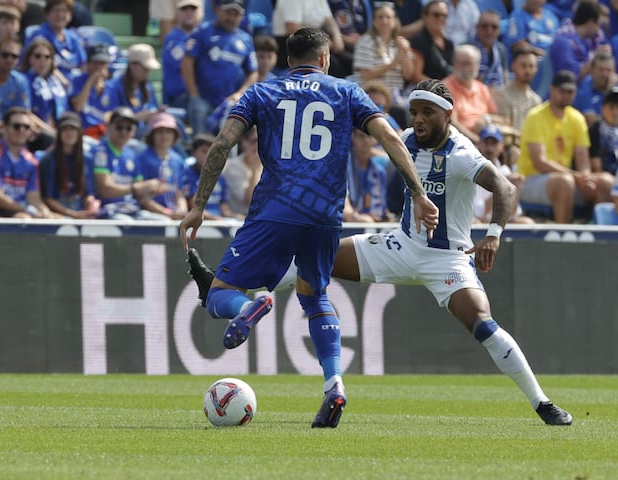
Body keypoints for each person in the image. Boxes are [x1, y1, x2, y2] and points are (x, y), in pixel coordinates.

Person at [184, 78, 573, 427]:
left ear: (449, 115)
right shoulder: (405, 139)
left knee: (484, 325)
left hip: (447, 258)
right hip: (399, 245)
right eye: (416, 112)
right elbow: (394, 178)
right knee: (317, 264)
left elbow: (504, 189)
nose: (418, 119)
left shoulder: (460, 154)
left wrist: (493, 235)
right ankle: (250, 298)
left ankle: (542, 403)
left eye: (427, 113)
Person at [178, 28, 439, 429]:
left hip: (274, 211)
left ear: (287, 60)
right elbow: (389, 135)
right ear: (324, 58)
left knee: (217, 296)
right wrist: (418, 193)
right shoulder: (347, 92)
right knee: (314, 294)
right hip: (325, 216)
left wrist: (198, 206)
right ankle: (334, 384)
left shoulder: (261, 92)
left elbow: (221, 145)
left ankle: (251, 306)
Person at [517, 70, 613, 223]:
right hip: (531, 179)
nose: (566, 95)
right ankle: (563, 236)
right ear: (552, 90)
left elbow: (583, 158)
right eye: (562, 91)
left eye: (570, 91)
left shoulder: (577, 118)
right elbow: (539, 163)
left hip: (565, 176)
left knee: (606, 182)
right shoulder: (535, 116)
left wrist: (585, 177)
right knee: (564, 182)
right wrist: (576, 176)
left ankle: (599, 233)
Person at [183, 0, 259, 136]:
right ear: (218, 11)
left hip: (229, 102)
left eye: (235, 14)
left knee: (227, 143)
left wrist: (240, 94)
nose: (231, 18)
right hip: (203, 98)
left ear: (242, 17)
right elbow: (187, 62)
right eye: (228, 13)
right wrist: (193, 93)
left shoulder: (245, 39)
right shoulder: (203, 31)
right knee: (200, 140)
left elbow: (253, 72)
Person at [91, 107, 169, 220]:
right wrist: (137, 187)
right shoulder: (101, 152)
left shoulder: (132, 155)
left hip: (132, 210)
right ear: (108, 127)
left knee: (163, 222)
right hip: (108, 210)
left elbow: (140, 193)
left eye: (128, 128)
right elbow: (104, 190)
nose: (124, 132)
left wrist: (152, 190)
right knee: (126, 222)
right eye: (119, 127)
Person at [0, 107, 55, 218]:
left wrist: (44, 212)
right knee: (23, 218)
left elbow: (33, 197)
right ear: (5, 128)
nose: (21, 130)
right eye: (16, 126)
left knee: (53, 218)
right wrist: (29, 210)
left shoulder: (31, 162)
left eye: (26, 127)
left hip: (21, 210)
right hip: (2, 213)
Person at [38, 111, 99, 218]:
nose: (69, 133)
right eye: (65, 129)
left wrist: (91, 205)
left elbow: (88, 193)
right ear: (59, 133)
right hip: (58, 212)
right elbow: (48, 198)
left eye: (73, 129)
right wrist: (73, 215)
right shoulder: (49, 159)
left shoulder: (87, 158)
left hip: (79, 207)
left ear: (79, 133)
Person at [352, 1, 413, 106]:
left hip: (396, 95)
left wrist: (405, 51)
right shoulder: (366, 41)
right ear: (374, 21)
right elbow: (366, 75)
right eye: (380, 17)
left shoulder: (397, 43)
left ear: (394, 21)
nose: (384, 21)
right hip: (372, 96)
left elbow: (408, 75)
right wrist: (392, 64)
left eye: (388, 17)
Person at [474, 124, 533, 224]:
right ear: (479, 144)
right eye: (486, 143)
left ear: (501, 146)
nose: (490, 148)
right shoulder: (473, 170)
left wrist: (516, 188)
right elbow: (480, 213)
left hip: (499, 220)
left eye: (494, 143)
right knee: (475, 223)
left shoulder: (505, 171)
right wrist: (503, 187)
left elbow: (512, 212)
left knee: (527, 222)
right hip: (481, 221)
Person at [442, 44, 500, 144]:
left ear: (477, 65)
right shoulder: (445, 89)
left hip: (487, 140)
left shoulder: (482, 88)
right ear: (454, 63)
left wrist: (486, 119)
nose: (466, 68)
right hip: (460, 143)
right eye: (462, 64)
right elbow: (452, 124)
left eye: (470, 63)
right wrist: (478, 142)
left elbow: (500, 118)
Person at [137, 112, 188, 220]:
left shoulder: (178, 160)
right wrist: (167, 213)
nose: (164, 136)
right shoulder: (142, 159)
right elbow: (142, 198)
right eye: (160, 132)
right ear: (152, 135)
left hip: (174, 213)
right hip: (151, 214)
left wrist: (182, 211)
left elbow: (180, 193)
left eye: (168, 131)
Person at [108, 44, 163, 137]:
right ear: (132, 65)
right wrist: (135, 118)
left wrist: (155, 113)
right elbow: (112, 118)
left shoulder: (147, 85)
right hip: (126, 134)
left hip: (147, 129)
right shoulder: (115, 86)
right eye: (145, 68)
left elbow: (153, 106)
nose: (148, 72)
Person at [25, 0, 86, 82]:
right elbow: (42, 65)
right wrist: (66, 83)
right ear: (47, 14)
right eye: (55, 10)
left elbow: (83, 64)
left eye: (64, 11)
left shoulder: (73, 37)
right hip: (50, 83)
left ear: (70, 15)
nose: (60, 14)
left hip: (74, 84)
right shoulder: (40, 35)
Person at [573, 52, 618, 124]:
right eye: (601, 70)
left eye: (608, 70)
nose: (604, 74)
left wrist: (612, 90)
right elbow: (591, 120)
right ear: (592, 71)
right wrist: (609, 92)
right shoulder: (584, 90)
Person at [162, 0, 203, 109]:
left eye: (193, 9)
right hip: (179, 98)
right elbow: (187, 65)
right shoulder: (172, 38)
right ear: (177, 14)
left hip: (200, 95)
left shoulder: (204, 36)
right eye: (184, 9)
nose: (189, 13)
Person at [492, 46, 541, 133]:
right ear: (513, 66)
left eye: (531, 66)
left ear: (536, 69)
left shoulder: (536, 101)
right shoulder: (500, 94)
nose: (527, 70)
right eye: (523, 66)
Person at [70, 44, 114, 140]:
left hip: (104, 136)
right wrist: (90, 82)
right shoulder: (77, 81)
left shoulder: (111, 87)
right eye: (95, 63)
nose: (98, 67)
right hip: (82, 135)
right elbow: (78, 107)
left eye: (102, 63)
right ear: (88, 64)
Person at [588, 87, 618, 175]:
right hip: (597, 177)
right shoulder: (594, 129)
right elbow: (595, 164)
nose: (615, 112)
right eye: (611, 107)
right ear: (603, 108)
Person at [408, 0, 454, 83]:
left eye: (444, 15)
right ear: (425, 17)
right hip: (426, 91)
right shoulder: (418, 41)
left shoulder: (449, 43)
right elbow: (415, 75)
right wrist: (439, 88)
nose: (441, 18)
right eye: (436, 15)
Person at [0, 36, 31, 131]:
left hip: (11, 130)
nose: (9, 60)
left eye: (14, 56)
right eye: (5, 55)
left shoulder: (20, 81)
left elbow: (25, 113)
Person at [471, 9, 509, 88]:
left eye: (494, 27)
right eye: (484, 26)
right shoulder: (467, 48)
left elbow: (505, 79)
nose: (489, 31)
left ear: (499, 30)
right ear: (477, 27)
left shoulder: (501, 49)